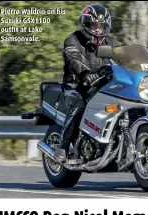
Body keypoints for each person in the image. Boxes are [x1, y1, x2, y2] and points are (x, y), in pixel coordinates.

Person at [56, 5, 119, 162]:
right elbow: (73, 58)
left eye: (102, 26)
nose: (98, 30)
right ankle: (62, 146)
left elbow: (125, 58)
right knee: (79, 106)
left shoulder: (111, 42)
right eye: (94, 26)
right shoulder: (73, 39)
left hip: (102, 85)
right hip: (77, 86)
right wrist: (86, 74)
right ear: (85, 25)